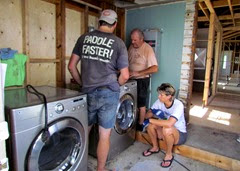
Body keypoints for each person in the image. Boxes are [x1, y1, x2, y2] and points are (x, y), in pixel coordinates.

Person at [68, 9, 129, 171]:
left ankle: (78, 166)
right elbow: (125, 75)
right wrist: (116, 84)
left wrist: (83, 83)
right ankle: (100, 169)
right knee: (104, 136)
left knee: (83, 132)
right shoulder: (118, 43)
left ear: (99, 22)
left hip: (87, 92)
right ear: (115, 24)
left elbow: (71, 66)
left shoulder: (84, 38)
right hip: (109, 93)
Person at [142, 83, 187, 168]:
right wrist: (153, 112)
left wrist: (151, 120)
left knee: (167, 129)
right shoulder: (159, 102)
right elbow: (147, 115)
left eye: (161, 95)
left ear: (169, 96)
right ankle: (155, 147)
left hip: (179, 134)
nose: (158, 96)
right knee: (150, 126)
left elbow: (170, 123)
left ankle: (169, 155)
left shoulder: (178, 105)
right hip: (164, 130)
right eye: (159, 94)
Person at [128, 28, 158, 131]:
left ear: (142, 39)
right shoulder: (131, 47)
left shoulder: (147, 49)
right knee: (131, 101)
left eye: (135, 40)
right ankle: (131, 123)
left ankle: (140, 126)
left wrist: (138, 73)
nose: (132, 42)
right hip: (130, 79)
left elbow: (155, 68)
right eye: (132, 39)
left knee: (141, 104)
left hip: (142, 80)